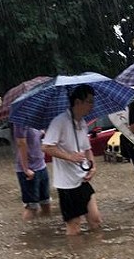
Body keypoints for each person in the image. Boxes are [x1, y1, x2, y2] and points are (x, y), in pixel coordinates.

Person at [42, 84, 102, 235]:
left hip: (82, 179)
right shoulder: (59, 121)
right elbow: (46, 147)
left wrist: (93, 166)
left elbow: (87, 149)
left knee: (95, 220)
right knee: (74, 226)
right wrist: (70, 157)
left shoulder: (82, 122)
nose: (92, 105)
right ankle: (74, 256)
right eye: (89, 101)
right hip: (67, 184)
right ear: (77, 102)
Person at [13, 123, 51, 221]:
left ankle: (43, 231)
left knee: (46, 203)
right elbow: (21, 143)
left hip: (41, 165)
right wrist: (26, 168)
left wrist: (43, 133)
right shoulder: (20, 122)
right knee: (32, 206)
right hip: (28, 169)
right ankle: (28, 234)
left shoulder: (37, 120)